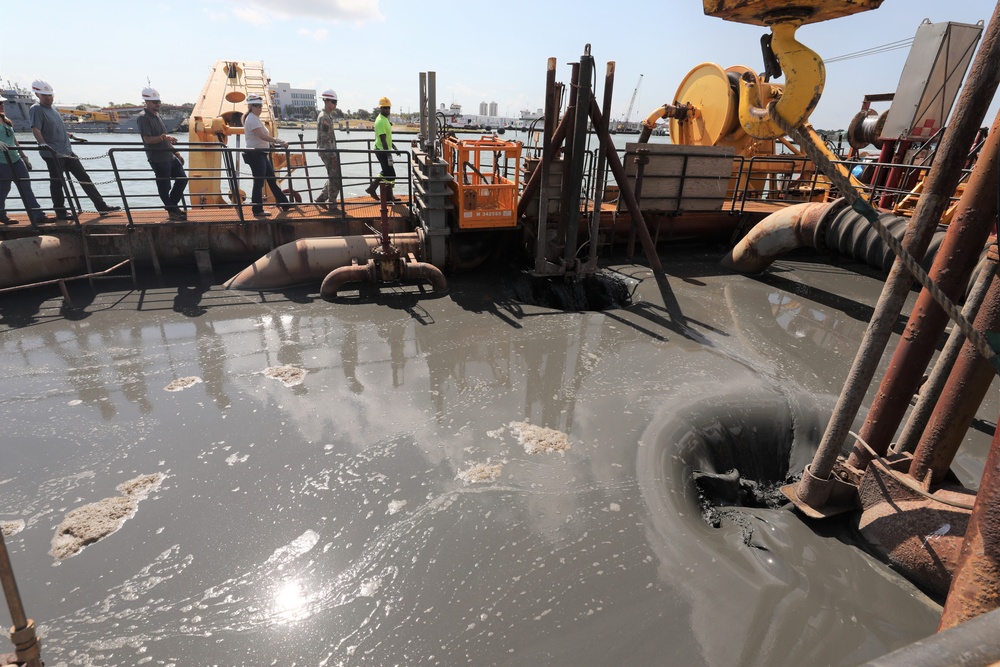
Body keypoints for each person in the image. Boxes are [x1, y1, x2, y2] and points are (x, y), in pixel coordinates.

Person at [29, 80, 121, 220]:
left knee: (84, 177)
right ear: (37, 94)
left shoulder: (54, 108)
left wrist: (72, 136)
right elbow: (36, 129)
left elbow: (58, 129)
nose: (49, 98)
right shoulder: (36, 109)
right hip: (53, 153)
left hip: (67, 150)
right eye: (45, 95)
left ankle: (101, 206)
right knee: (57, 182)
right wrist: (42, 144)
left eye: (50, 95)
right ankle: (60, 212)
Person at [137, 87, 188, 221]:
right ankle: (173, 211)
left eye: (158, 101)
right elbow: (147, 139)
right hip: (158, 158)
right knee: (165, 186)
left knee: (182, 179)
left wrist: (176, 152)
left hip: (169, 156)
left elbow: (164, 137)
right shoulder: (143, 118)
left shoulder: (157, 116)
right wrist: (163, 137)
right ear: (147, 102)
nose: (157, 104)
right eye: (154, 102)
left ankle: (172, 208)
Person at [0, 95, 51, 226]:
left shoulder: (5, 120)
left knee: (26, 187)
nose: (2, 105)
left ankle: (37, 215)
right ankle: (1, 215)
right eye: (0, 103)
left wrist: (24, 156)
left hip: (16, 159)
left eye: (2, 103)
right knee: (3, 189)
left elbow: (13, 139)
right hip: (2, 162)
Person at [242, 93, 291, 218]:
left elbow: (261, 137)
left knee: (271, 180)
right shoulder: (252, 118)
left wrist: (270, 144)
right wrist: (279, 141)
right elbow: (261, 135)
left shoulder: (254, 118)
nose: (260, 108)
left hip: (261, 154)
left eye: (260, 105)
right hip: (256, 154)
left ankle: (284, 203)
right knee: (259, 182)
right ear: (251, 106)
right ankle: (257, 210)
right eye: (257, 105)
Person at [365, 97, 402, 203]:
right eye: (385, 108)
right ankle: (375, 190)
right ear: (380, 109)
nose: (387, 110)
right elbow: (383, 140)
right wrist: (389, 155)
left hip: (384, 150)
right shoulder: (380, 121)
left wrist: (394, 148)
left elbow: (387, 138)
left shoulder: (385, 119)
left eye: (388, 108)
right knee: (390, 174)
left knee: (388, 173)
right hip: (381, 151)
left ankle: (383, 194)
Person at [315, 89, 342, 214]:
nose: (335, 104)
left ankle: (321, 198)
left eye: (336, 102)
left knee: (333, 176)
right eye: (333, 101)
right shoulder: (325, 117)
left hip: (328, 151)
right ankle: (332, 205)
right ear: (326, 101)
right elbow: (325, 138)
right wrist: (332, 155)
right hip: (328, 152)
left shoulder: (326, 116)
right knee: (335, 177)